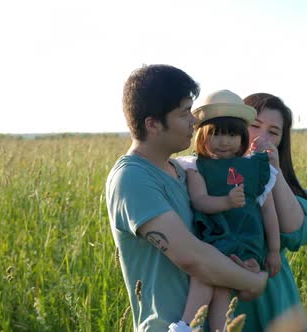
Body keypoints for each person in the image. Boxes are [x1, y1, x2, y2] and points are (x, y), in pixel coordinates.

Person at [105, 65, 268, 332]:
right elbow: (193, 257)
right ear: (153, 123)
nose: (194, 122)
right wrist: (254, 281)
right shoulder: (133, 178)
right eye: (184, 114)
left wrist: (241, 263)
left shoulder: (182, 171)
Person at [175, 90, 281, 331]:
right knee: (207, 279)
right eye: (216, 134)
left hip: (246, 240)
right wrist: (226, 202)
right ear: (202, 135)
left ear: (242, 137)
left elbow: (268, 211)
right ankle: (185, 326)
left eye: (232, 135)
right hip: (215, 237)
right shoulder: (196, 167)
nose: (224, 142)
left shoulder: (254, 168)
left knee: (225, 289)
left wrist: (273, 250)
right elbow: (200, 200)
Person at [233, 93, 307, 331]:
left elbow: (297, 232)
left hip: (273, 299)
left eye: (273, 132)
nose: (262, 138)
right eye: (254, 126)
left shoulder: (289, 189)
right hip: (223, 297)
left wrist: (274, 172)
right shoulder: (206, 174)